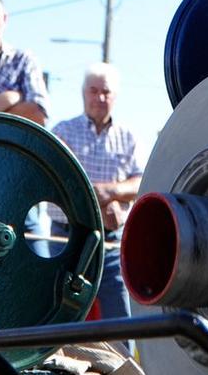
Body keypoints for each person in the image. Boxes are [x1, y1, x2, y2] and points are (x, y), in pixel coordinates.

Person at [51, 64, 145, 320]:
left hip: (111, 242)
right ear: (83, 93)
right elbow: (55, 181)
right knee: (59, 313)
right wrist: (98, 203)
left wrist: (112, 193)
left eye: (106, 92)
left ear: (115, 96)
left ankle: (123, 361)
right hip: (67, 240)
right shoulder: (63, 132)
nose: (99, 98)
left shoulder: (128, 137)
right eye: (93, 91)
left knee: (120, 317)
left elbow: (140, 182)